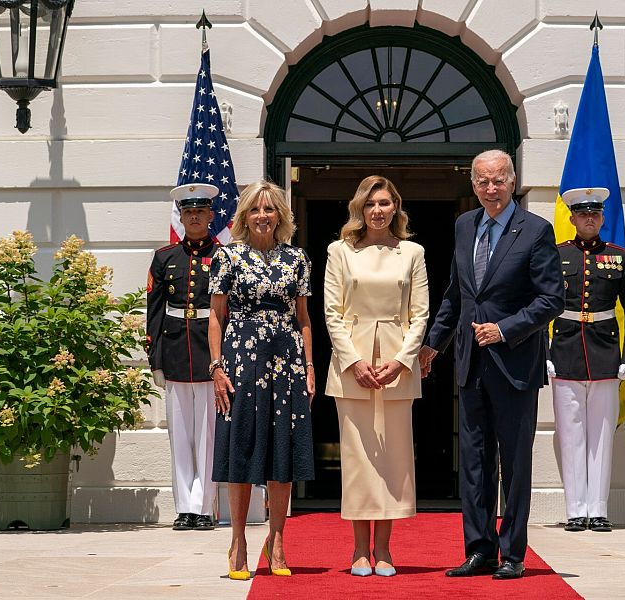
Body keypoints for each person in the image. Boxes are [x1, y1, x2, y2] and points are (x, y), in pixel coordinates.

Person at [419, 150, 564, 580]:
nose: (491, 189)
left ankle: (513, 553)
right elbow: (457, 294)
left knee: (515, 464)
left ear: (513, 179)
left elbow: (551, 298)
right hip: (470, 363)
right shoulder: (466, 225)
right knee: (475, 461)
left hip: (515, 363)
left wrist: (505, 329)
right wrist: (433, 344)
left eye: (498, 180)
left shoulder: (536, 230)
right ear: (473, 183)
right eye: (482, 181)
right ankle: (478, 549)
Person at [208, 181, 315, 580]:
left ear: (281, 216)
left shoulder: (297, 259)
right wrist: (217, 368)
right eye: (256, 209)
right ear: (244, 216)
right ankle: (238, 540)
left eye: (270, 210)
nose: (263, 216)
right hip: (241, 358)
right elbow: (216, 316)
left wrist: (309, 368)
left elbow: (303, 319)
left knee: (282, 448)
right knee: (243, 445)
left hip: (286, 358)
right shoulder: (228, 257)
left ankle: (278, 539)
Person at [323, 175, 429, 578]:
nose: (378, 210)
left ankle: (384, 549)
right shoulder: (340, 251)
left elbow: (420, 313)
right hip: (353, 364)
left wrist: (402, 361)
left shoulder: (412, 252)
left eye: (385, 203)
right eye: (370, 204)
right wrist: (353, 361)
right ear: (359, 209)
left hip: (397, 366)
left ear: (396, 207)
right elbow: (332, 313)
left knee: (392, 460)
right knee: (358, 460)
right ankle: (358, 550)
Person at [547, 187, 625, 533]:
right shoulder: (556, 255)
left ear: (602, 218)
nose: (589, 219)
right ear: (571, 218)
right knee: (569, 433)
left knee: (602, 433)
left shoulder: (618, 257)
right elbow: (542, 307)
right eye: (583, 214)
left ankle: (598, 509)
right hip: (566, 350)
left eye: (595, 214)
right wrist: (545, 352)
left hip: (604, 353)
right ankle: (576, 509)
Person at [146, 183, 220, 532]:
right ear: (182, 217)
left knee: (207, 435)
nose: (194, 217)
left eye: (200, 212)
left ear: (210, 216)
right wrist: (155, 358)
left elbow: (230, 309)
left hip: (209, 352)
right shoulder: (164, 257)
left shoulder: (225, 256)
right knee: (180, 435)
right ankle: (185, 508)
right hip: (175, 349)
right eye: (188, 212)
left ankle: (204, 506)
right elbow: (155, 309)